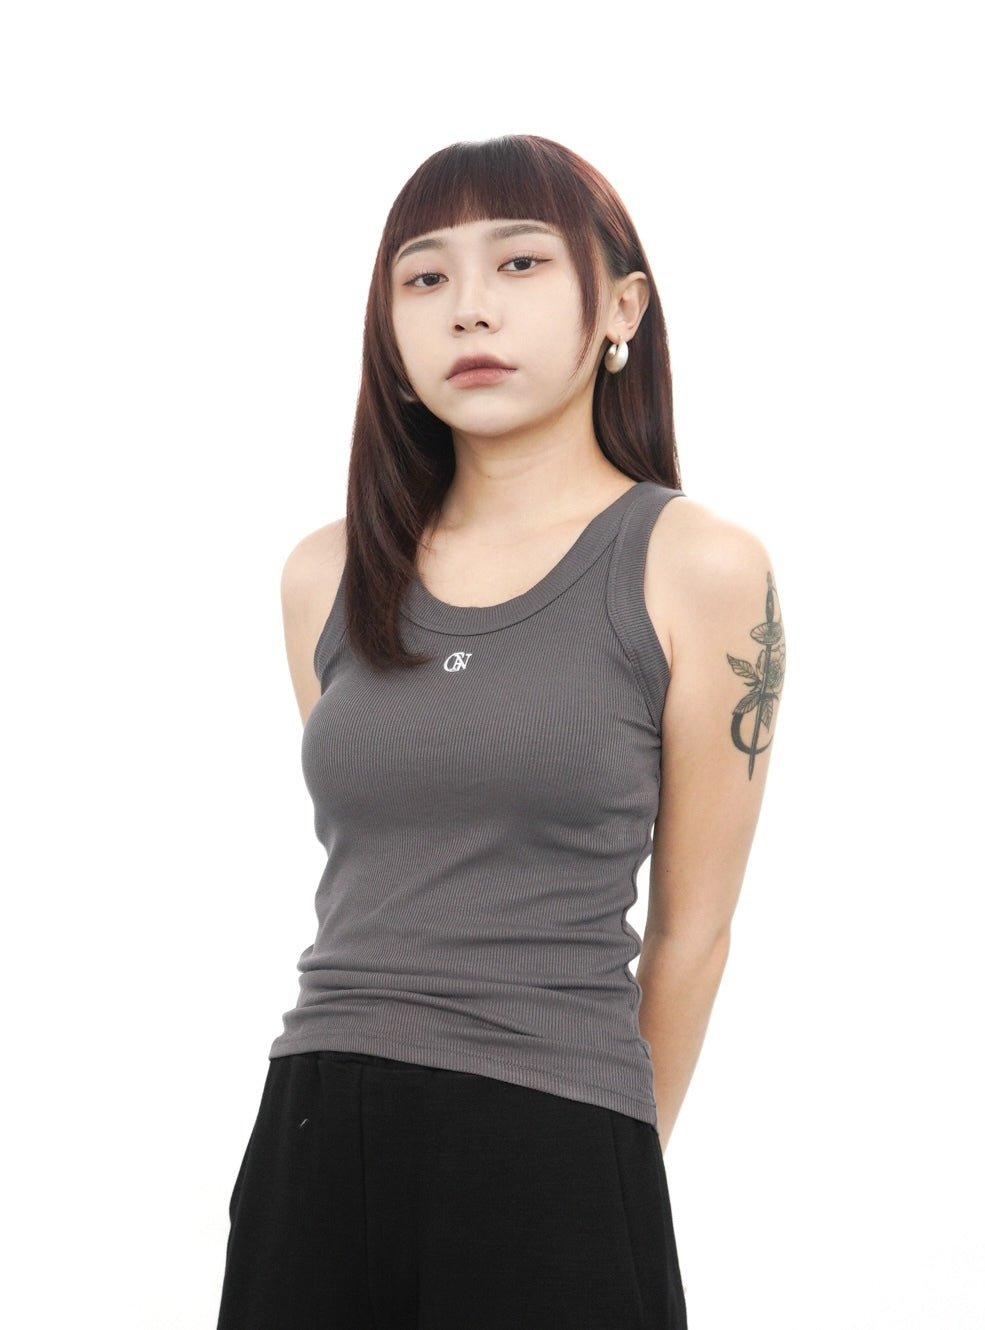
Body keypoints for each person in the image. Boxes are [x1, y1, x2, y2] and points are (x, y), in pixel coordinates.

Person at [216, 134, 784, 1330]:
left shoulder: (698, 566)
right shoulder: (325, 575)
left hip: (553, 1139)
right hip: (312, 1136)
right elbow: (389, 861)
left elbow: (692, 933)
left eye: (520, 263)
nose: (468, 307)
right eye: (425, 277)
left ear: (621, 305)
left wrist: (601, 1160)